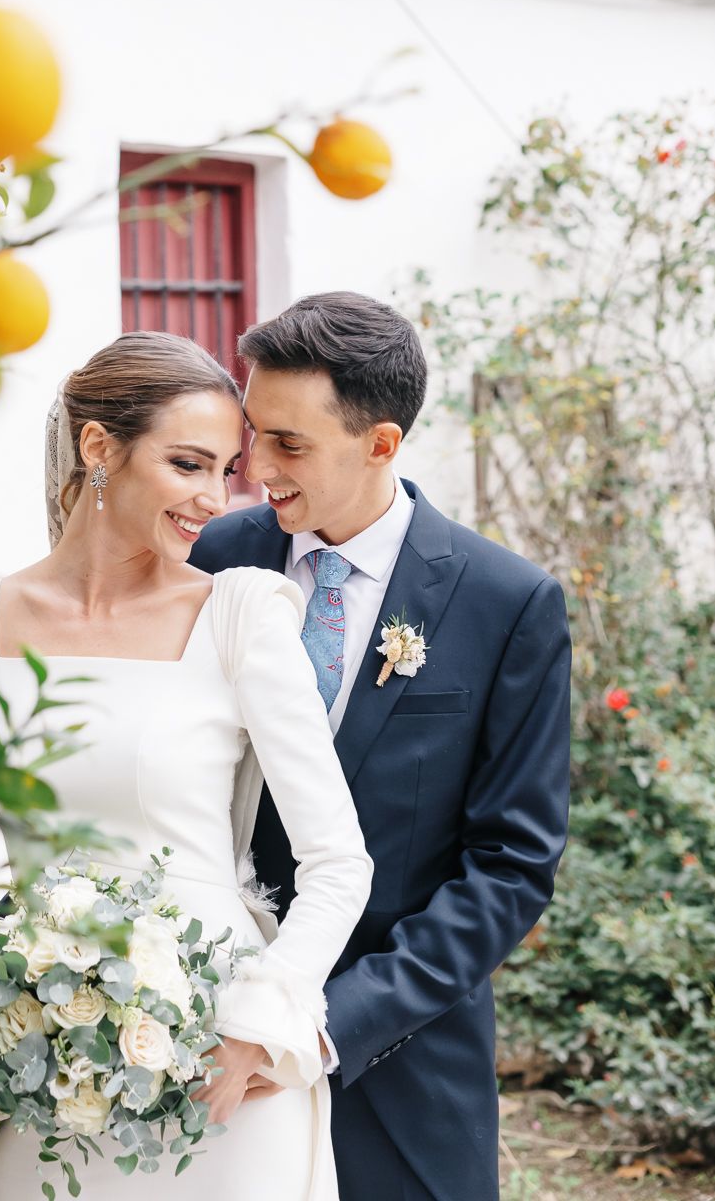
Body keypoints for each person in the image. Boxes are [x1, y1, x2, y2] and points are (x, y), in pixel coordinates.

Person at [0, 330, 373, 1197]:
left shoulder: (240, 614)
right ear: (99, 447)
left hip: (221, 1075)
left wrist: (261, 1019)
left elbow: (336, 862)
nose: (216, 497)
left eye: (226, 469)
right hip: (44, 1077)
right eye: (188, 464)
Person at [190, 291, 572, 1201]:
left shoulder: (506, 603)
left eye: (289, 445)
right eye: (254, 435)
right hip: (203, 1041)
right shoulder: (210, 562)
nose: (257, 471)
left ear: (381, 444)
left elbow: (510, 867)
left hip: (397, 1065)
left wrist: (324, 1023)